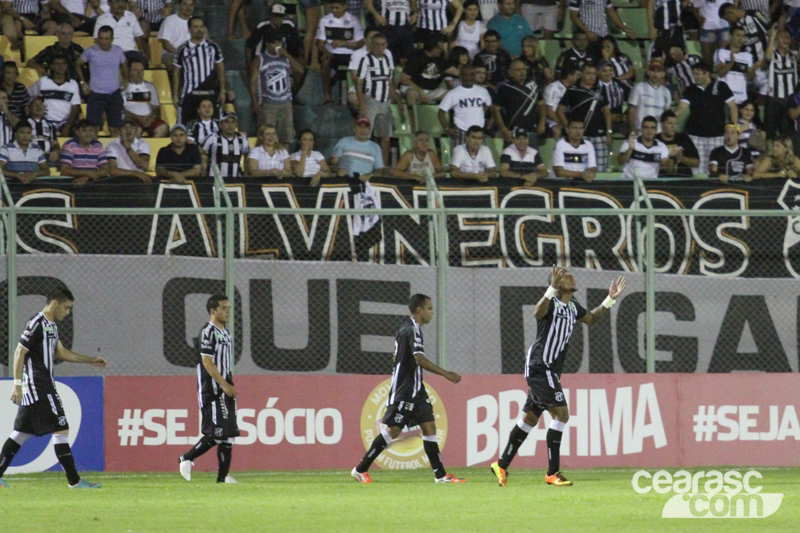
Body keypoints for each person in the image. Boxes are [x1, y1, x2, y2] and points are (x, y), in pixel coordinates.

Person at [490, 265, 626, 487]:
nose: (572, 278)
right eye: (567, 276)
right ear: (558, 283)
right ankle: (552, 473)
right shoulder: (551, 303)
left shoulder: (572, 306)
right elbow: (536, 313)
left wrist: (609, 300)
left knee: (531, 418)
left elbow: (591, 318)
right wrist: (551, 288)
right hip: (540, 366)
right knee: (561, 414)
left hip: (549, 369)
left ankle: (502, 464)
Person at [351, 294, 465, 484]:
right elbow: (419, 359)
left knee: (429, 427)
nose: (432, 313)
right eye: (429, 308)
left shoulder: (405, 328)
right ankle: (360, 469)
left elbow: (395, 358)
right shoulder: (413, 329)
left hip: (416, 389)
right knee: (394, 431)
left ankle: (440, 475)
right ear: (419, 310)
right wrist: (446, 373)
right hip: (405, 389)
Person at [0, 287, 107, 489]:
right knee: (61, 427)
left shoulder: (52, 327)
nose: (67, 312)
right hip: (39, 385)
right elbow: (19, 352)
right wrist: (17, 385)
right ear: (55, 303)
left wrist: (90, 360)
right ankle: (74, 481)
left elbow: (62, 352)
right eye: (66, 308)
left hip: (42, 384)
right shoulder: (37, 323)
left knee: (21, 432)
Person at [178, 295, 239, 484]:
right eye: (224, 308)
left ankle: (222, 479)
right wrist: (223, 384)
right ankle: (186, 458)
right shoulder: (208, 332)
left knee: (228, 434)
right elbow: (206, 361)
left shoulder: (225, 332)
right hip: (212, 389)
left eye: (229, 307)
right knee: (216, 433)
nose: (228, 311)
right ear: (213, 311)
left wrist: (228, 383)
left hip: (225, 385)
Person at [676, 61, 738, 173]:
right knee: (697, 169)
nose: (694, 77)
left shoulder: (721, 86)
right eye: (693, 74)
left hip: (716, 135)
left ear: (707, 73)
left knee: (714, 168)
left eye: (697, 74)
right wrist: (672, 114)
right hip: (695, 135)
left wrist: (734, 127)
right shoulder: (691, 89)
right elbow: (682, 108)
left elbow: (733, 107)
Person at [355, 31, 404, 167]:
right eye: (376, 44)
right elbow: (358, 83)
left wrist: (398, 102)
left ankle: (381, 166)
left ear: (386, 45)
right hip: (371, 99)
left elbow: (390, 83)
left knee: (386, 137)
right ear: (371, 45)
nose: (379, 47)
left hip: (385, 101)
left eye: (382, 45)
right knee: (364, 134)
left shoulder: (387, 60)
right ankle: (362, 164)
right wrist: (362, 103)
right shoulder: (366, 60)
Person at [249, 27, 305, 144]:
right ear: (268, 44)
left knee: (286, 138)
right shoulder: (260, 59)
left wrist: (286, 54)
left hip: (285, 103)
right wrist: (254, 100)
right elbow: (253, 81)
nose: (277, 45)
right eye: (274, 43)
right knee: (266, 137)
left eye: (279, 42)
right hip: (268, 103)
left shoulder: (286, 58)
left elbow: (300, 70)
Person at [556, 63, 612, 172]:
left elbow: (607, 112)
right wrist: (567, 126)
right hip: (580, 134)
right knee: (581, 167)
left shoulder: (600, 89)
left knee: (601, 167)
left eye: (594, 74)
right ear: (581, 74)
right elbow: (560, 110)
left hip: (599, 134)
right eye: (588, 73)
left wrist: (609, 131)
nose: (591, 76)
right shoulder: (573, 90)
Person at [173, 16, 226, 125]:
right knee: (185, 126)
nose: (199, 29)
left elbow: (220, 68)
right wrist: (175, 95)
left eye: (201, 26)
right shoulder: (183, 49)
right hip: (189, 94)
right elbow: (176, 72)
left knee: (214, 127)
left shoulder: (213, 46)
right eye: (195, 27)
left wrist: (222, 90)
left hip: (210, 93)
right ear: (189, 30)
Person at [78, 26, 128, 137]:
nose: (103, 42)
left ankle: (113, 153)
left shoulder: (118, 51)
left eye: (106, 39)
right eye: (101, 38)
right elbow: (77, 64)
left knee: (115, 128)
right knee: (93, 128)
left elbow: (124, 64)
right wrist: (83, 83)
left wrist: (126, 80)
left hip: (114, 94)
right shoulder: (91, 51)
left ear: (112, 39)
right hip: (96, 94)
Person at [316, 0, 365, 105]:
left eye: (337, 8)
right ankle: (328, 97)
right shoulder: (325, 20)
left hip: (350, 54)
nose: (334, 10)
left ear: (344, 7)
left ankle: (358, 94)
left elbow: (361, 42)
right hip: (332, 54)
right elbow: (320, 43)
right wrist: (326, 51)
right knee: (325, 61)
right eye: (332, 7)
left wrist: (344, 43)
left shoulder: (353, 20)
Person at [492, 59, 546, 148]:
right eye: (518, 70)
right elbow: (496, 110)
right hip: (512, 132)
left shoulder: (533, 86)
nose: (522, 72)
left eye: (524, 69)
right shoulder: (504, 88)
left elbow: (542, 105)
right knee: (509, 160)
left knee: (532, 159)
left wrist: (542, 123)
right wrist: (504, 129)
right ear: (510, 72)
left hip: (531, 131)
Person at [400, 37, 449, 129]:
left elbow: (452, 70)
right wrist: (420, 91)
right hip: (414, 88)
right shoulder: (416, 57)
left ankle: (444, 126)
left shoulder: (440, 58)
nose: (442, 50)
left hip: (432, 90)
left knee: (450, 96)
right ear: (433, 48)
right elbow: (404, 79)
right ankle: (413, 127)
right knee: (411, 94)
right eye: (439, 48)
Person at [27, 54, 81, 136]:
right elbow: (28, 94)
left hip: (65, 122)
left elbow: (75, 107)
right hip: (46, 120)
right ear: (51, 66)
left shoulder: (73, 84)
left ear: (66, 66)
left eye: (63, 64)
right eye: (57, 64)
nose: (60, 66)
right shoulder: (43, 81)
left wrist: (68, 126)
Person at [438, 65, 492, 146]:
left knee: (480, 157)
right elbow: (441, 112)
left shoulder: (483, 91)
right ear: (460, 76)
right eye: (465, 75)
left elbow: (488, 105)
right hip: (461, 131)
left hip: (478, 131)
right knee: (459, 158)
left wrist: (482, 115)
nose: (468, 77)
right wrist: (447, 128)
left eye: (471, 75)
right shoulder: (453, 93)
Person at [763, 27, 798, 140]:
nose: (785, 40)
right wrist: (772, 37)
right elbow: (767, 57)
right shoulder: (773, 55)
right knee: (770, 133)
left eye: (788, 37)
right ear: (777, 39)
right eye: (782, 37)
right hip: (774, 100)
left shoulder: (793, 56)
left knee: (787, 134)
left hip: (790, 101)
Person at [568, 0, 636, 57]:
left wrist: (625, 28)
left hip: (603, 34)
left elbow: (611, 12)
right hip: (587, 37)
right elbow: (573, 16)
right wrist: (587, 32)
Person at [123, 59, 169, 138]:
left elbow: (156, 108)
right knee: (135, 130)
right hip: (131, 119)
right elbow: (122, 110)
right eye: (135, 70)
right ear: (129, 72)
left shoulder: (150, 86)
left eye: (141, 70)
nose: (139, 73)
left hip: (148, 118)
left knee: (163, 128)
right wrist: (138, 118)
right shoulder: (124, 88)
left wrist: (150, 118)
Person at [93, 0, 148, 66]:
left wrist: (142, 52)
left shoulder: (131, 16)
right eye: (116, 2)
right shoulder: (102, 19)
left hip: (130, 52)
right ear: (109, 3)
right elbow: (97, 40)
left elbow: (138, 36)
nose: (120, 5)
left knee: (141, 61)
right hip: (111, 52)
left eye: (123, 2)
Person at [60, 120, 110, 188]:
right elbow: (64, 171)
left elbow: (106, 170)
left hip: (93, 183)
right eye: (84, 131)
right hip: (74, 184)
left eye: (90, 131)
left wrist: (86, 177)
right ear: (77, 132)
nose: (88, 134)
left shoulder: (97, 145)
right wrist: (88, 173)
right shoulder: (70, 145)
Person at [628, 58, 673, 133]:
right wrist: (632, 131)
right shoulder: (638, 87)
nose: (655, 74)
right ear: (648, 72)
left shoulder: (666, 92)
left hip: (659, 132)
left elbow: (666, 114)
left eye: (658, 71)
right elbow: (631, 110)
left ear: (663, 74)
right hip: (640, 131)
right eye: (653, 71)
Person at [713, 26, 755, 105]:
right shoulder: (721, 52)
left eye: (742, 36)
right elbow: (721, 73)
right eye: (737, 35)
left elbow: (751, 78)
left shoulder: (748, 55)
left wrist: (752, 70)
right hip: (724, 98)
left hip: (741, 99)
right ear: (730, 36)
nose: (740, 38)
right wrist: (731, 63)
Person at [202, 112, 250, 179]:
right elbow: (200, 152)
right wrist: (204, 168)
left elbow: (247, 155)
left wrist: (246, 173)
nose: (230, 125)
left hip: (236, 179)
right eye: (226, 122)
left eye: (233, 122)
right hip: (214, 179)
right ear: (220, 125)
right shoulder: (212, 138)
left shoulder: (243, 139)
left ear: (236, 124)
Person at [105, 118, 152, 183]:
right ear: (119, 130)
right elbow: (113, 170)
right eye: (125, 127)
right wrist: (136, 174)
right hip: (120, 179)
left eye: (131, 127)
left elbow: (144, 166)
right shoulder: (112, 145)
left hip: (139, 179)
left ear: (135, 130)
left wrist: (128, 148)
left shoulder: (142, 144)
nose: (128, 130)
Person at [656, 109, 700, 177]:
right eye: (670, 123)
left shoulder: (684, 138)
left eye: (675, 123)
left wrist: (681, 159)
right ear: (661, 124)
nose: (673, 127)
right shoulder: (656, 140)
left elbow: (697, 162)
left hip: (684, 178)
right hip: (663, 179)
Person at [544, 65, 579, 140]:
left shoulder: (574, 89)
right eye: (577, 75)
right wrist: (561, 123)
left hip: (567, 119)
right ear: (569, 76)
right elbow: (549, 111)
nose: (579, 78)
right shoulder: (553, 87)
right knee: (557, 130)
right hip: (552, 119)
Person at [158, 0, 193, 71]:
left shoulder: (196, 22)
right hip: (172, 53)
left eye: (191, 5)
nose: (188, 8)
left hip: (192, 54)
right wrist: (180, 53)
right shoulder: (169, 20)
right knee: (174, 61)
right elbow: (165, 44)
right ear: (179, 6)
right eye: (185, 4)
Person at [692, 0, 729, 65]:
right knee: (707, 57)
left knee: (724, 55)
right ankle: (708, 74)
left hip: (724, 27)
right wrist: (700, 20)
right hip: (708, 28)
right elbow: (694, 8)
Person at [26, 97, 61, 165]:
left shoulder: (50, 125)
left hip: (47, 157)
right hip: (30, 157)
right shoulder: (24, 123)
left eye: (41, 104)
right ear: (29, 109)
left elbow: (55, 143)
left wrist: (56, 151)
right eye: (35, 105)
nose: (39, 107)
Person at [597, 60, 628, 135]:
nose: (608, 73)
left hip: (619, 119)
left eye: (610, 70)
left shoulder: (619, 84)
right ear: (598, 72)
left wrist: (626, 114)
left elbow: (632, 99)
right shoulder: (594, 86)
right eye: (604, 71)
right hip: (599, 120)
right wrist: (608, 116)